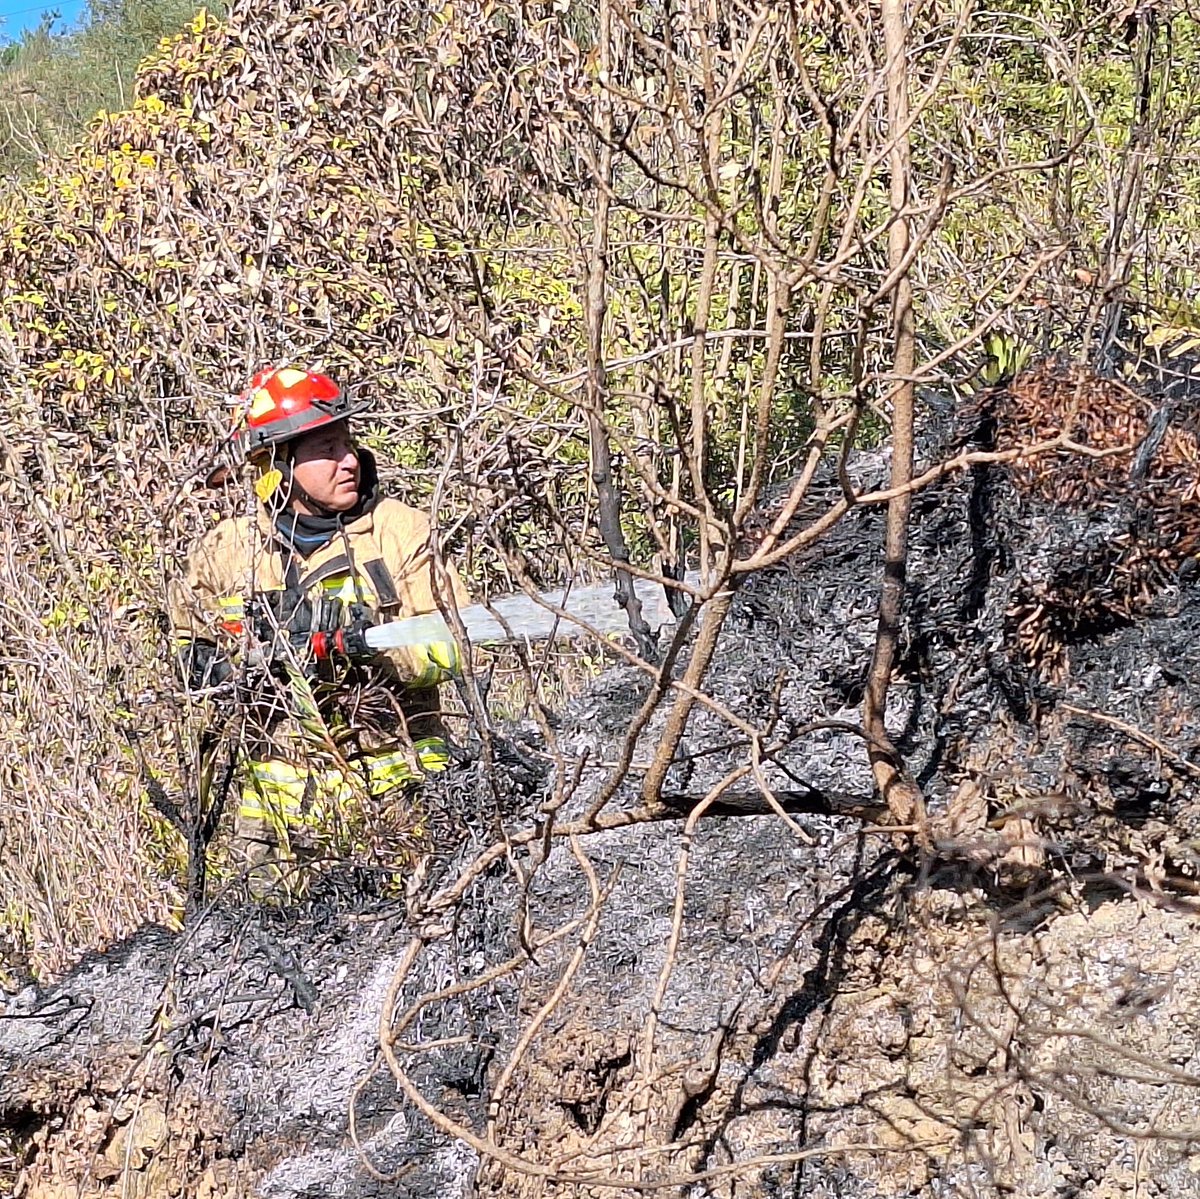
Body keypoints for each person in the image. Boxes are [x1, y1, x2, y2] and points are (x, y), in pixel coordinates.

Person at [167, 365, 468, 895]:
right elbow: (192, 656)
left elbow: (462, 647)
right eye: (326, 449)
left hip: (405, 809)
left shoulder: (401, 533)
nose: (348, 460)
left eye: (348, 443)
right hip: (277, 838)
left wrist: (372, 647)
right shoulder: (225, 553)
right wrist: (249, 668)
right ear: (276, 466)